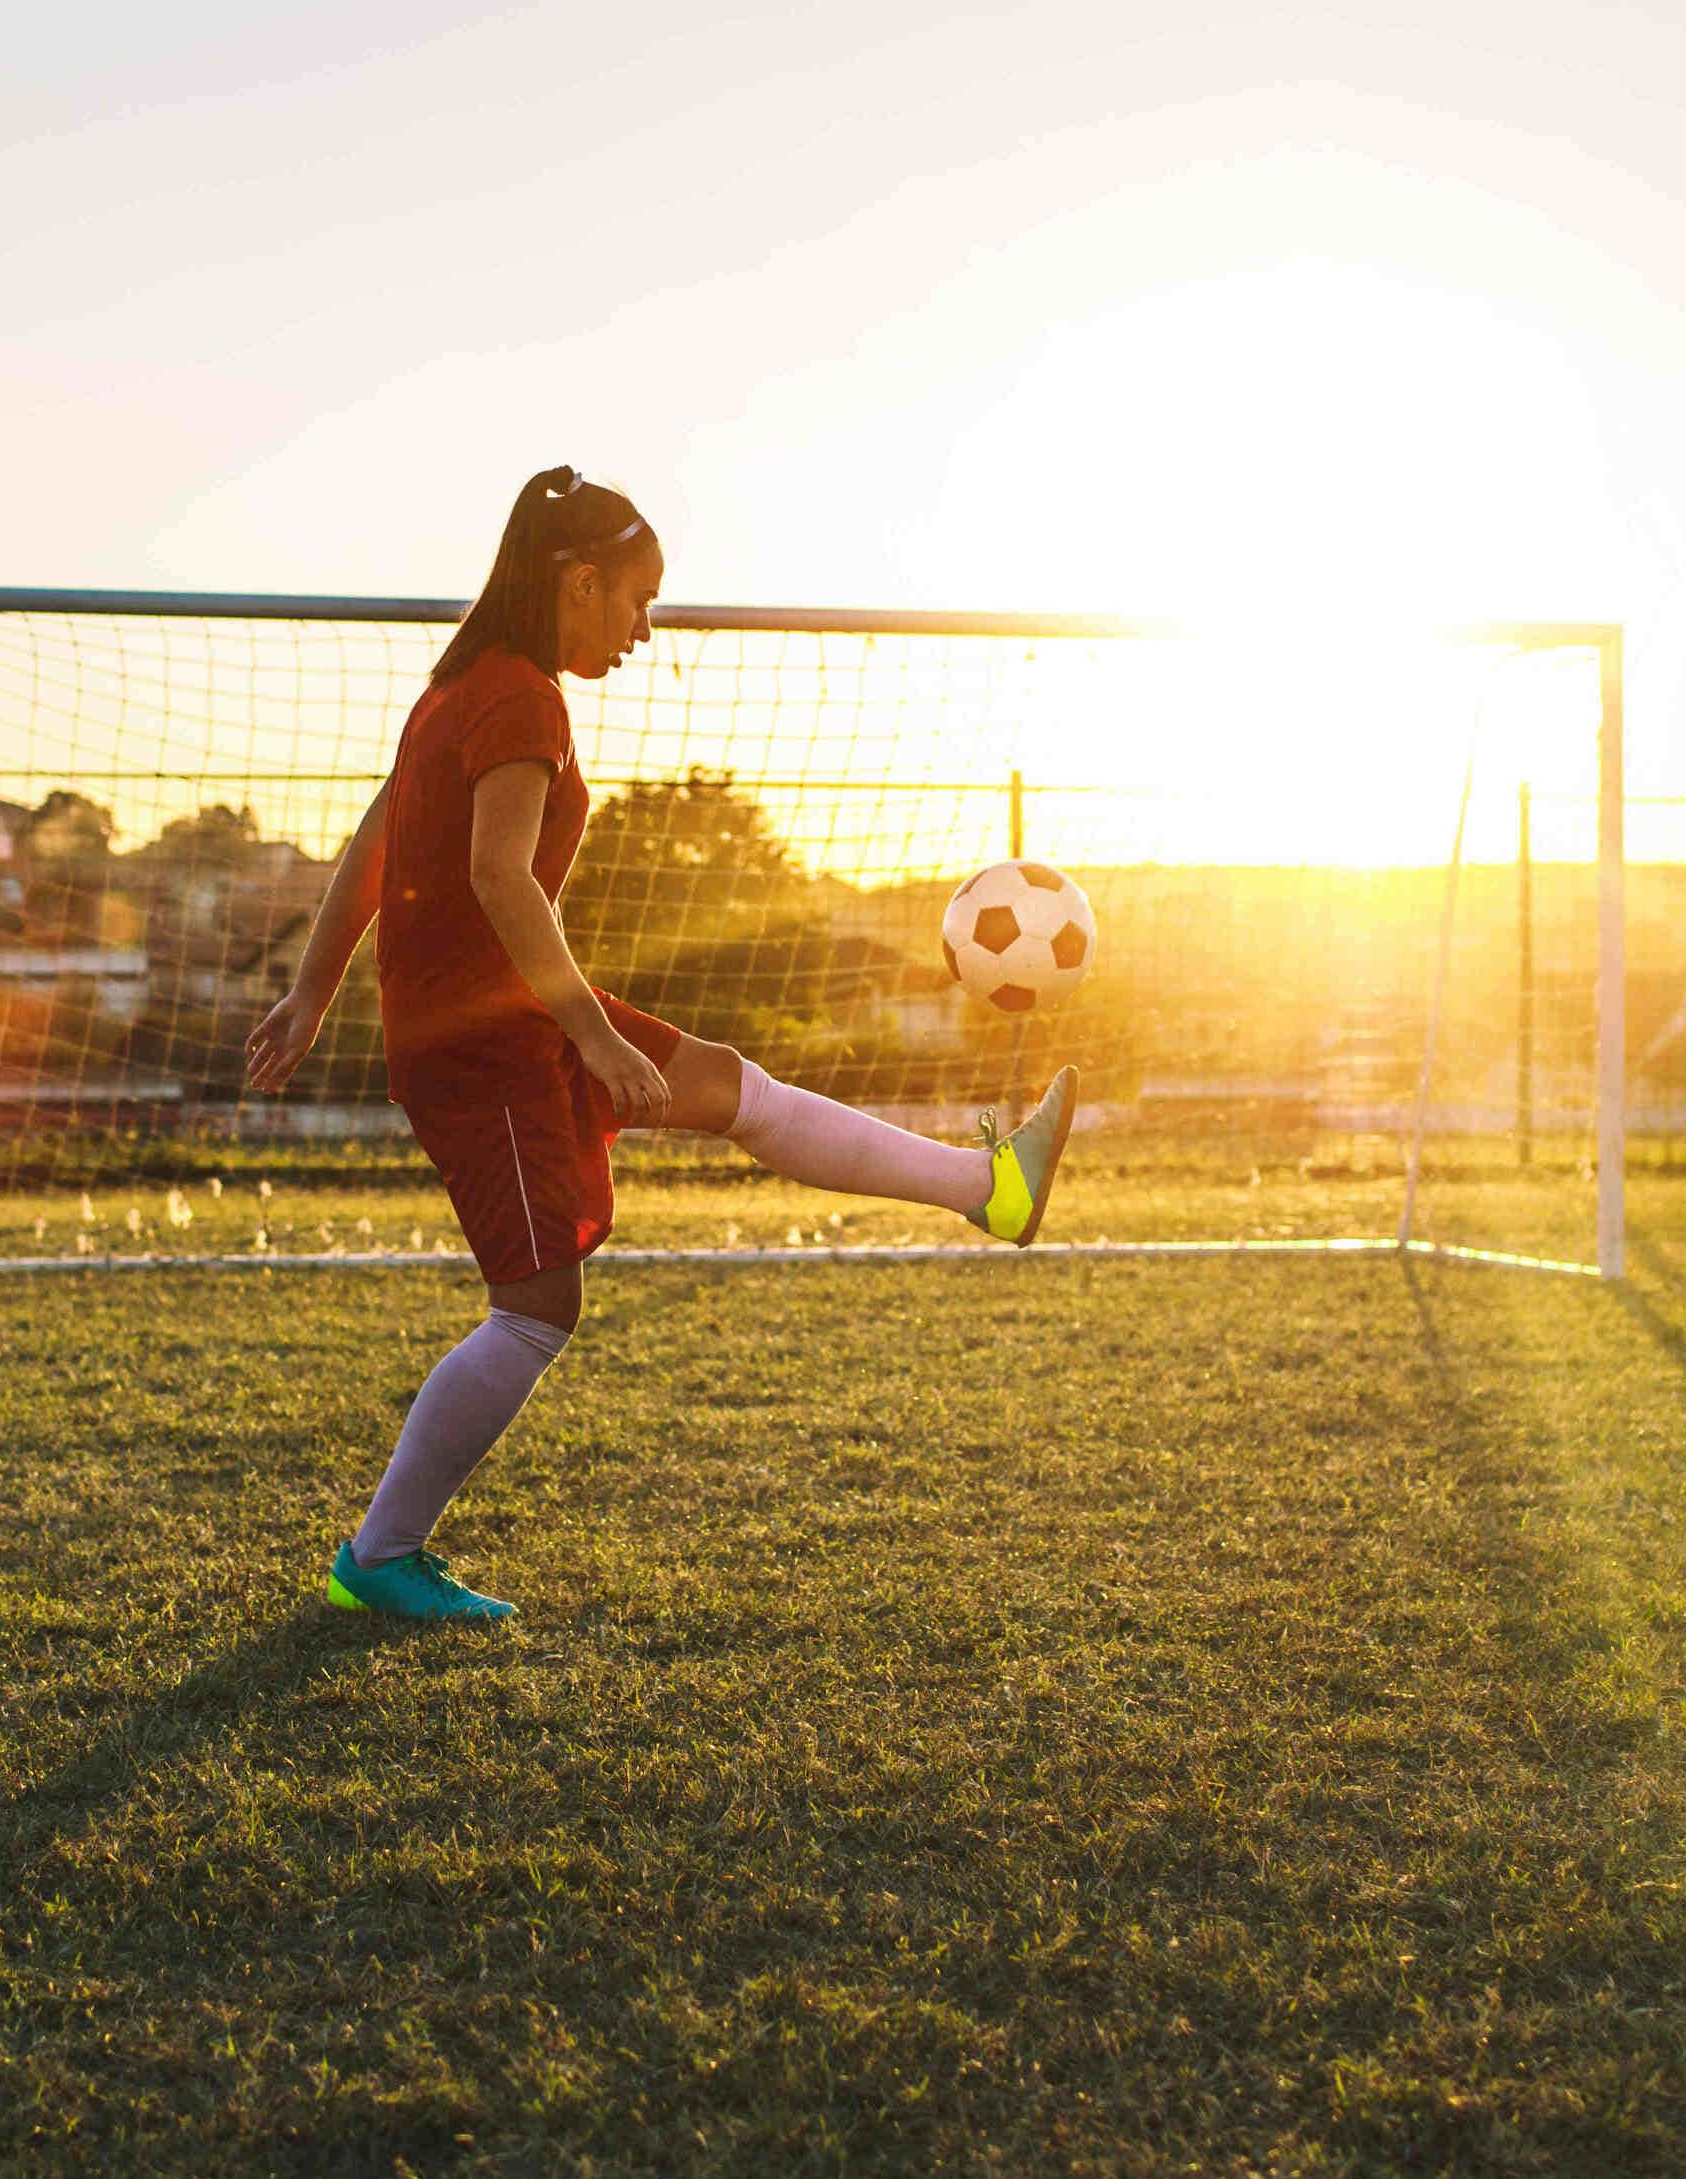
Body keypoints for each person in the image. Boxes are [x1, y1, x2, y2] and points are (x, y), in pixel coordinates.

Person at [242, 465, 1076, 1624]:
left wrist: (315, 988)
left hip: (504, 1017)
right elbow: (493, 874)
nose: (645, 628)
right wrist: (587, 1032)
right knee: (535, 1308)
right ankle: (378, 1557)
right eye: (636, 600)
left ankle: (988, 1189)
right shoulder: (518, 697)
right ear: (577, 582)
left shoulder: (459, 687)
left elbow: (375, 841)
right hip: (487, 1044)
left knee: (741, 1090)